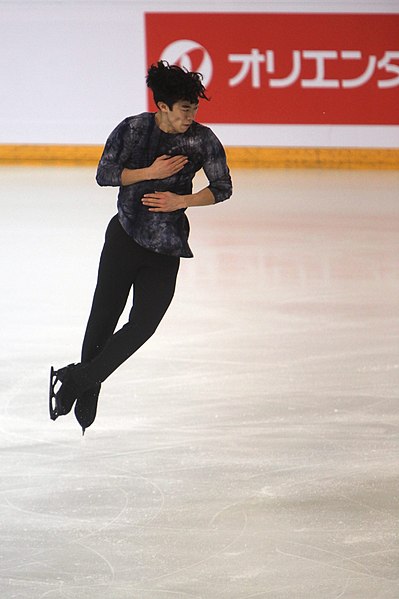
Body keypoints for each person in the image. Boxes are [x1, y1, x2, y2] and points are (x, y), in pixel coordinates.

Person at [49, 60, 233, 434]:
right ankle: (86, 388)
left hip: (166, 247)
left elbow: (223, 187)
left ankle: (77, 379)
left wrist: (182, 201)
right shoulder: (133, 130)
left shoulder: (202, 139)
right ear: (163, 106)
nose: (191, 115)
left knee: (144, 325)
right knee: (102, 320)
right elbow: (104, 174)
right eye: (185, 109)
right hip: (125, 238)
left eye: (194, 108)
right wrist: (151, 172)